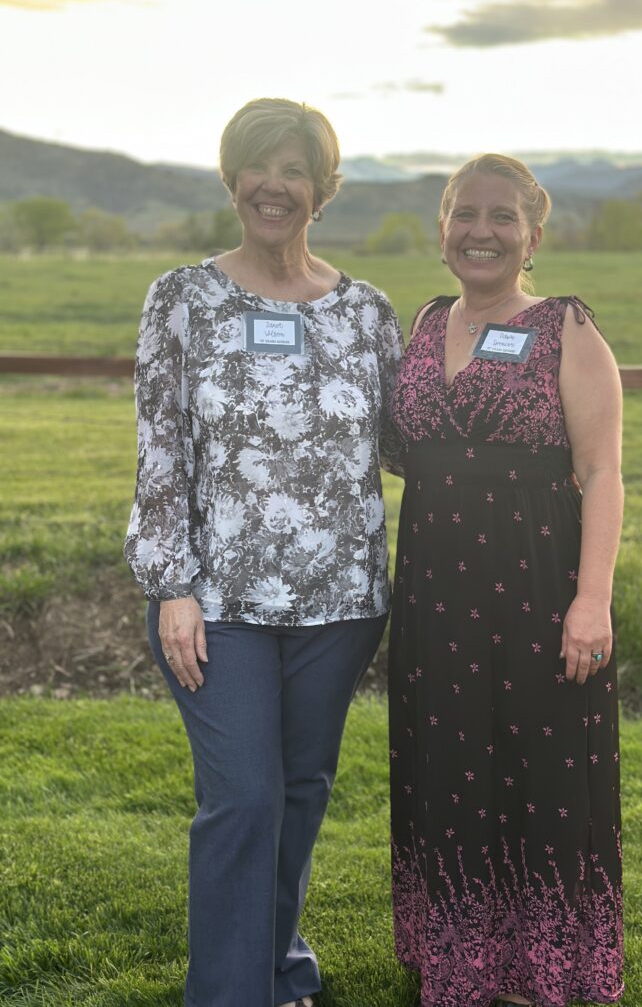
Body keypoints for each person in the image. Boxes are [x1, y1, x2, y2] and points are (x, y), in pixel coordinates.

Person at [124, 97, 403, 1007]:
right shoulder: (182, 299)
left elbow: (410, 444)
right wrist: (172, 584)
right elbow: (160, 449)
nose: (273, 185)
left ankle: (280, 970)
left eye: (293, 170)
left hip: (342, 599)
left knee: (298, 793)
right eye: (258, 166)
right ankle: (230, 994)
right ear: (231, 178)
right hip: (219, 603)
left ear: (322, 189)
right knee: (242, 799)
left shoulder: (367, 312)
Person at [387, 154, 624, 1007]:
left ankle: (541, 971)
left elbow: (601, 473)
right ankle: (460, 961)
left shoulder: (567, 328)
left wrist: (590, 601)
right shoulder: (423, 323)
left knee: (540, 774)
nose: (480, 232)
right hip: (432, 592)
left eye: (501, 217)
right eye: (465, 214)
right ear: (442, 226)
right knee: (448, 769)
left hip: (536, 586)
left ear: (532, 237)